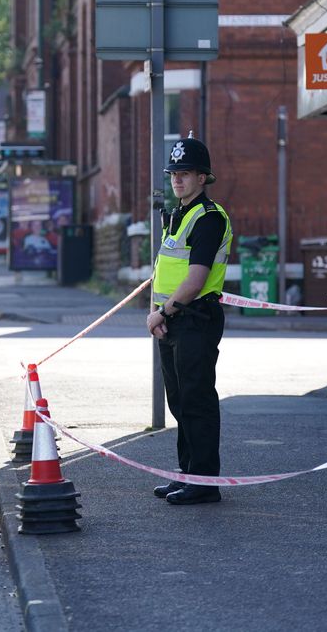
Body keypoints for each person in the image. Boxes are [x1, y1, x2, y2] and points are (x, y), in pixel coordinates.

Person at [146, 135, 232, 506]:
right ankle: (187, 474)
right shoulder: (179, 215)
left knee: (197, 401)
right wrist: (162, 315)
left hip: (195, 318)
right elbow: (165, 271)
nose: (177, 179)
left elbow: (195, 278)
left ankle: (204, 482)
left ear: (203, 177)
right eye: (174, 173)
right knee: (180, 401)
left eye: (185, 173)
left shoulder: (209, 217)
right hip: (174, 320)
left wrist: (162, 313)